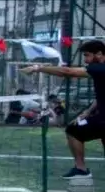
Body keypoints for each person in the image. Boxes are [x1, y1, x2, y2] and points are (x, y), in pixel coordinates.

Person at [21, 39, 105, 177]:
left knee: (73, 130)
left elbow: (67, 71)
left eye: (87, 55)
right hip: (101, 117)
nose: (86, 60)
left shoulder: (100, 68)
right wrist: (88, 111)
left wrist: (37, 68)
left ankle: (81, 169)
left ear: (100, 54)